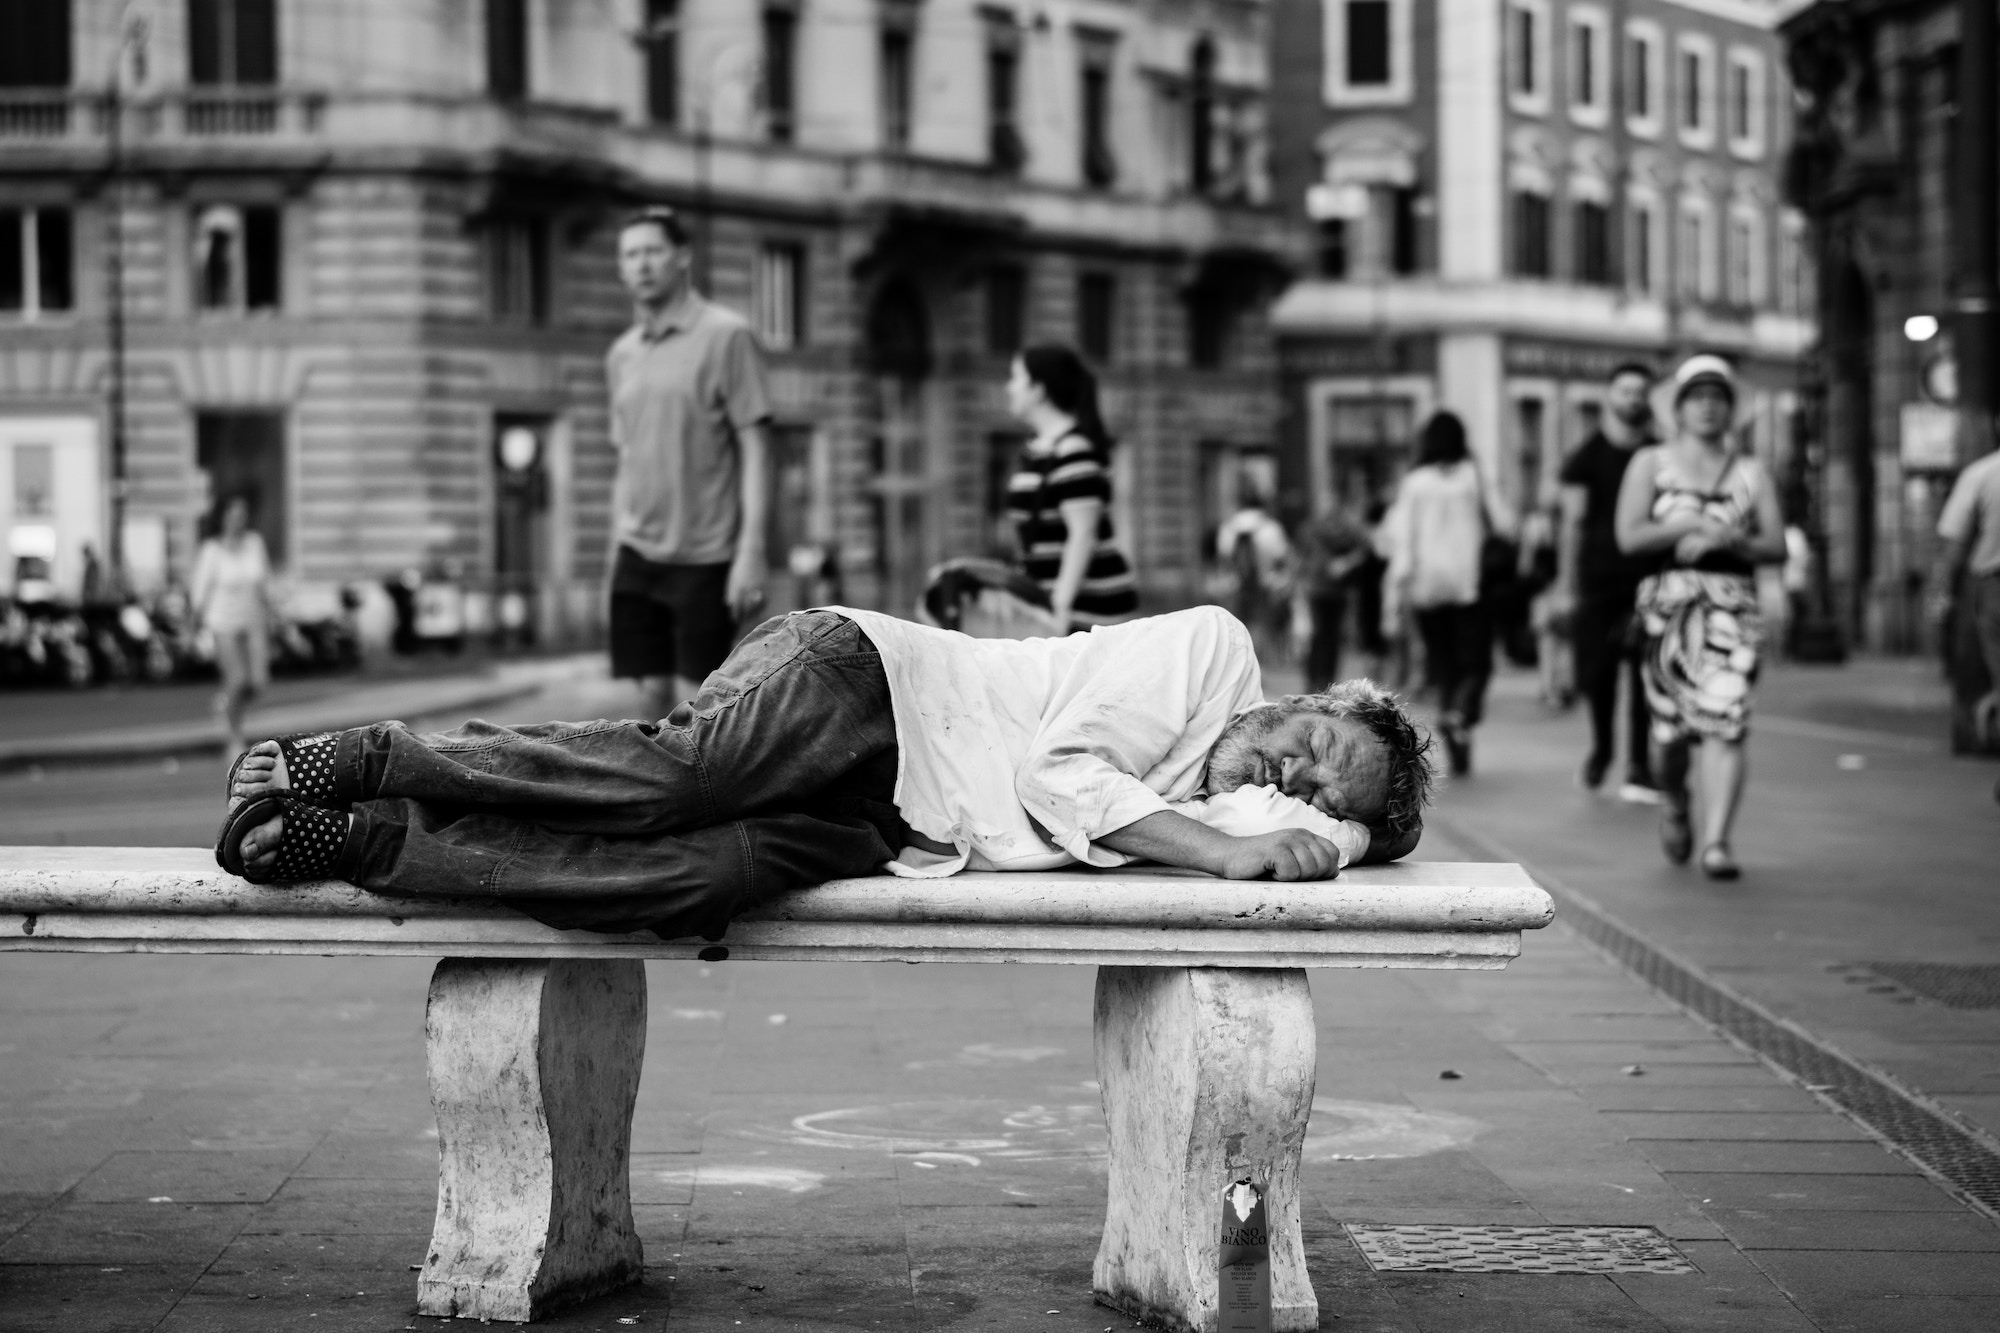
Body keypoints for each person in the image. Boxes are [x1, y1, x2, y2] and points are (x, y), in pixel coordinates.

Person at [212, 606, 1435, 940]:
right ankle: (370, 755)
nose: (1298, 779)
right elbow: (1063, 780)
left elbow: (1330, 842)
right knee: (677, 781)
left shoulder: (1250, 805)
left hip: (892, 822)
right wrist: (1225, 847)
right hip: (869, 681)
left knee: (691, 881)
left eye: (1319, 793)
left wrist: (1339, 828)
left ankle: (374, 840)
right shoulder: (1214, 654)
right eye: (1323, 748)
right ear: (1320, 698)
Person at [1614, 355, 1787, 879]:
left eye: (1719, 398)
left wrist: (1728, 536)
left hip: (1732, 609)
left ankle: (1717, 843)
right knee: (1669, 737)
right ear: (1680, 408)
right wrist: (1685, 524)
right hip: (1668, 609)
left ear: (1731, 410)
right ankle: (1675, 799)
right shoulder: (1651, 462)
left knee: (1728, 724)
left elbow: (1776, 543)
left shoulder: (1751, 471)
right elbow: (1629, 536)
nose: (1709, 407)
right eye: (1698, 398)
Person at [606, 206, 774, 711]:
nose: (642, 265)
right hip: (637, 556)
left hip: (706, 557)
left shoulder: (727, 336)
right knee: (645, 714)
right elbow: (627, 460)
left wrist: (752, 552)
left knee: (697, 718)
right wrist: (614, 554)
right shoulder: (622, 354)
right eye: (631, 255)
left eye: (653, 251)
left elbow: (756, 447)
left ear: (683, 257)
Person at [1556, 361, 1662, 803]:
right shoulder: (1586, 458)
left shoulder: (1660, 454)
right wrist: (1565, 584)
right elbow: (1573, 524)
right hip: (1598, 579)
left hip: (1649, 579)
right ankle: (1602, 750)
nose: (1633, 399)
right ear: (1609, 397)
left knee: (1644, 675)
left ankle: (1638, 766)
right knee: (1599, 674)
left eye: (1641, 392)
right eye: (1625, 391)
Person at [1383, 412, 1511, 777]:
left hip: (1427, 587)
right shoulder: (1473, 475)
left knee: (1444, 664)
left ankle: (1454, 725)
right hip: (1469, 583)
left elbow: (1401, 541)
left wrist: (1394, 596)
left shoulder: (1414, 482)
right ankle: (1460, 714)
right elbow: (1503, 522)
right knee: (1477, 663)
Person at [1002, 345, 1140, 630]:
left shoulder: (1073, 450)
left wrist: (1059, 606)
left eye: (1016, 378)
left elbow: (1083, 535)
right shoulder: (1036, 449)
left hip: (1088, 611)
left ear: (1038, 390)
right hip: (1050, 605)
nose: (1009, 387)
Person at [191, 494, 275, 755]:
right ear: (223, 517)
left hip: (253, 621)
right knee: (237, 679)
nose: (240, 520)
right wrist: (193, 625)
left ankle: (226, 702)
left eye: (243, 514)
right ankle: (234, 737)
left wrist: (273, 614)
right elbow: (199, 592)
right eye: (235, 514)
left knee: (258, 683)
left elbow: (264, 584)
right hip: (223, 622)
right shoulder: (212, 550)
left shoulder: (254, 543)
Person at [1934, 442, 2000, 750]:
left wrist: (1941, 591)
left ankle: (1981, 732)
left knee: (1985, 665)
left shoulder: (1983, 472)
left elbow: (1954, 542)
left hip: (1992, 584)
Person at [1291, 501, 1371, 689]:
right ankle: (1322, 680)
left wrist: (1346, 563)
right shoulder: (1337, 531)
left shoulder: (1316, 529)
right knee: (1325, 637)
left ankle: (1321, 680)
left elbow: (1301, 558)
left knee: (1324, 637)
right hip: (1325, 590)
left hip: (1329, 590)